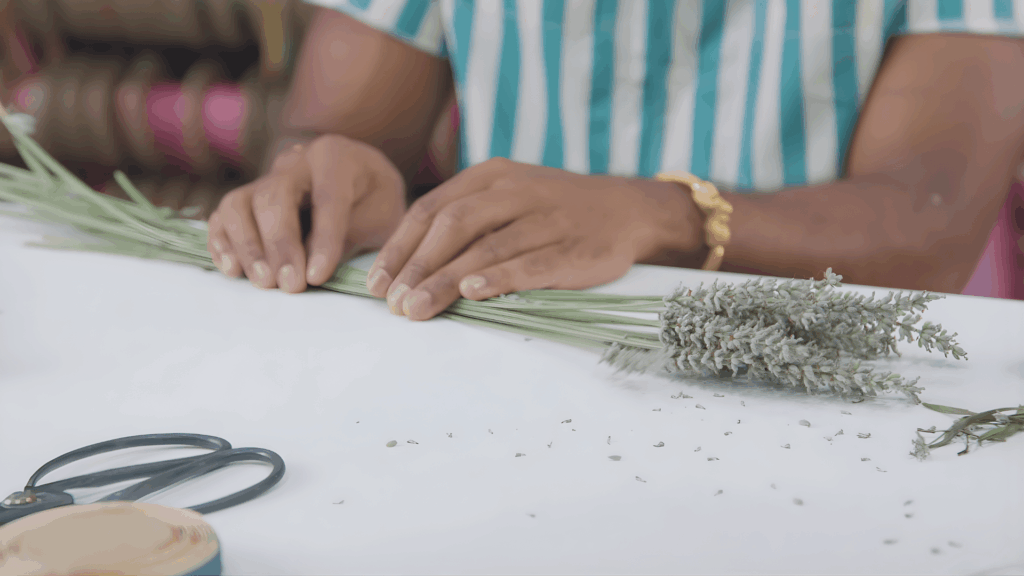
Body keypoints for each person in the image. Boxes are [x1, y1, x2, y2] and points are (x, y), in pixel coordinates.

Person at [206, 0, 1024, 321]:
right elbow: (327, 135)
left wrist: (654, 213)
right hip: (511, 350)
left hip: (821, 364)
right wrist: (330, 179)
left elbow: (932, 227)